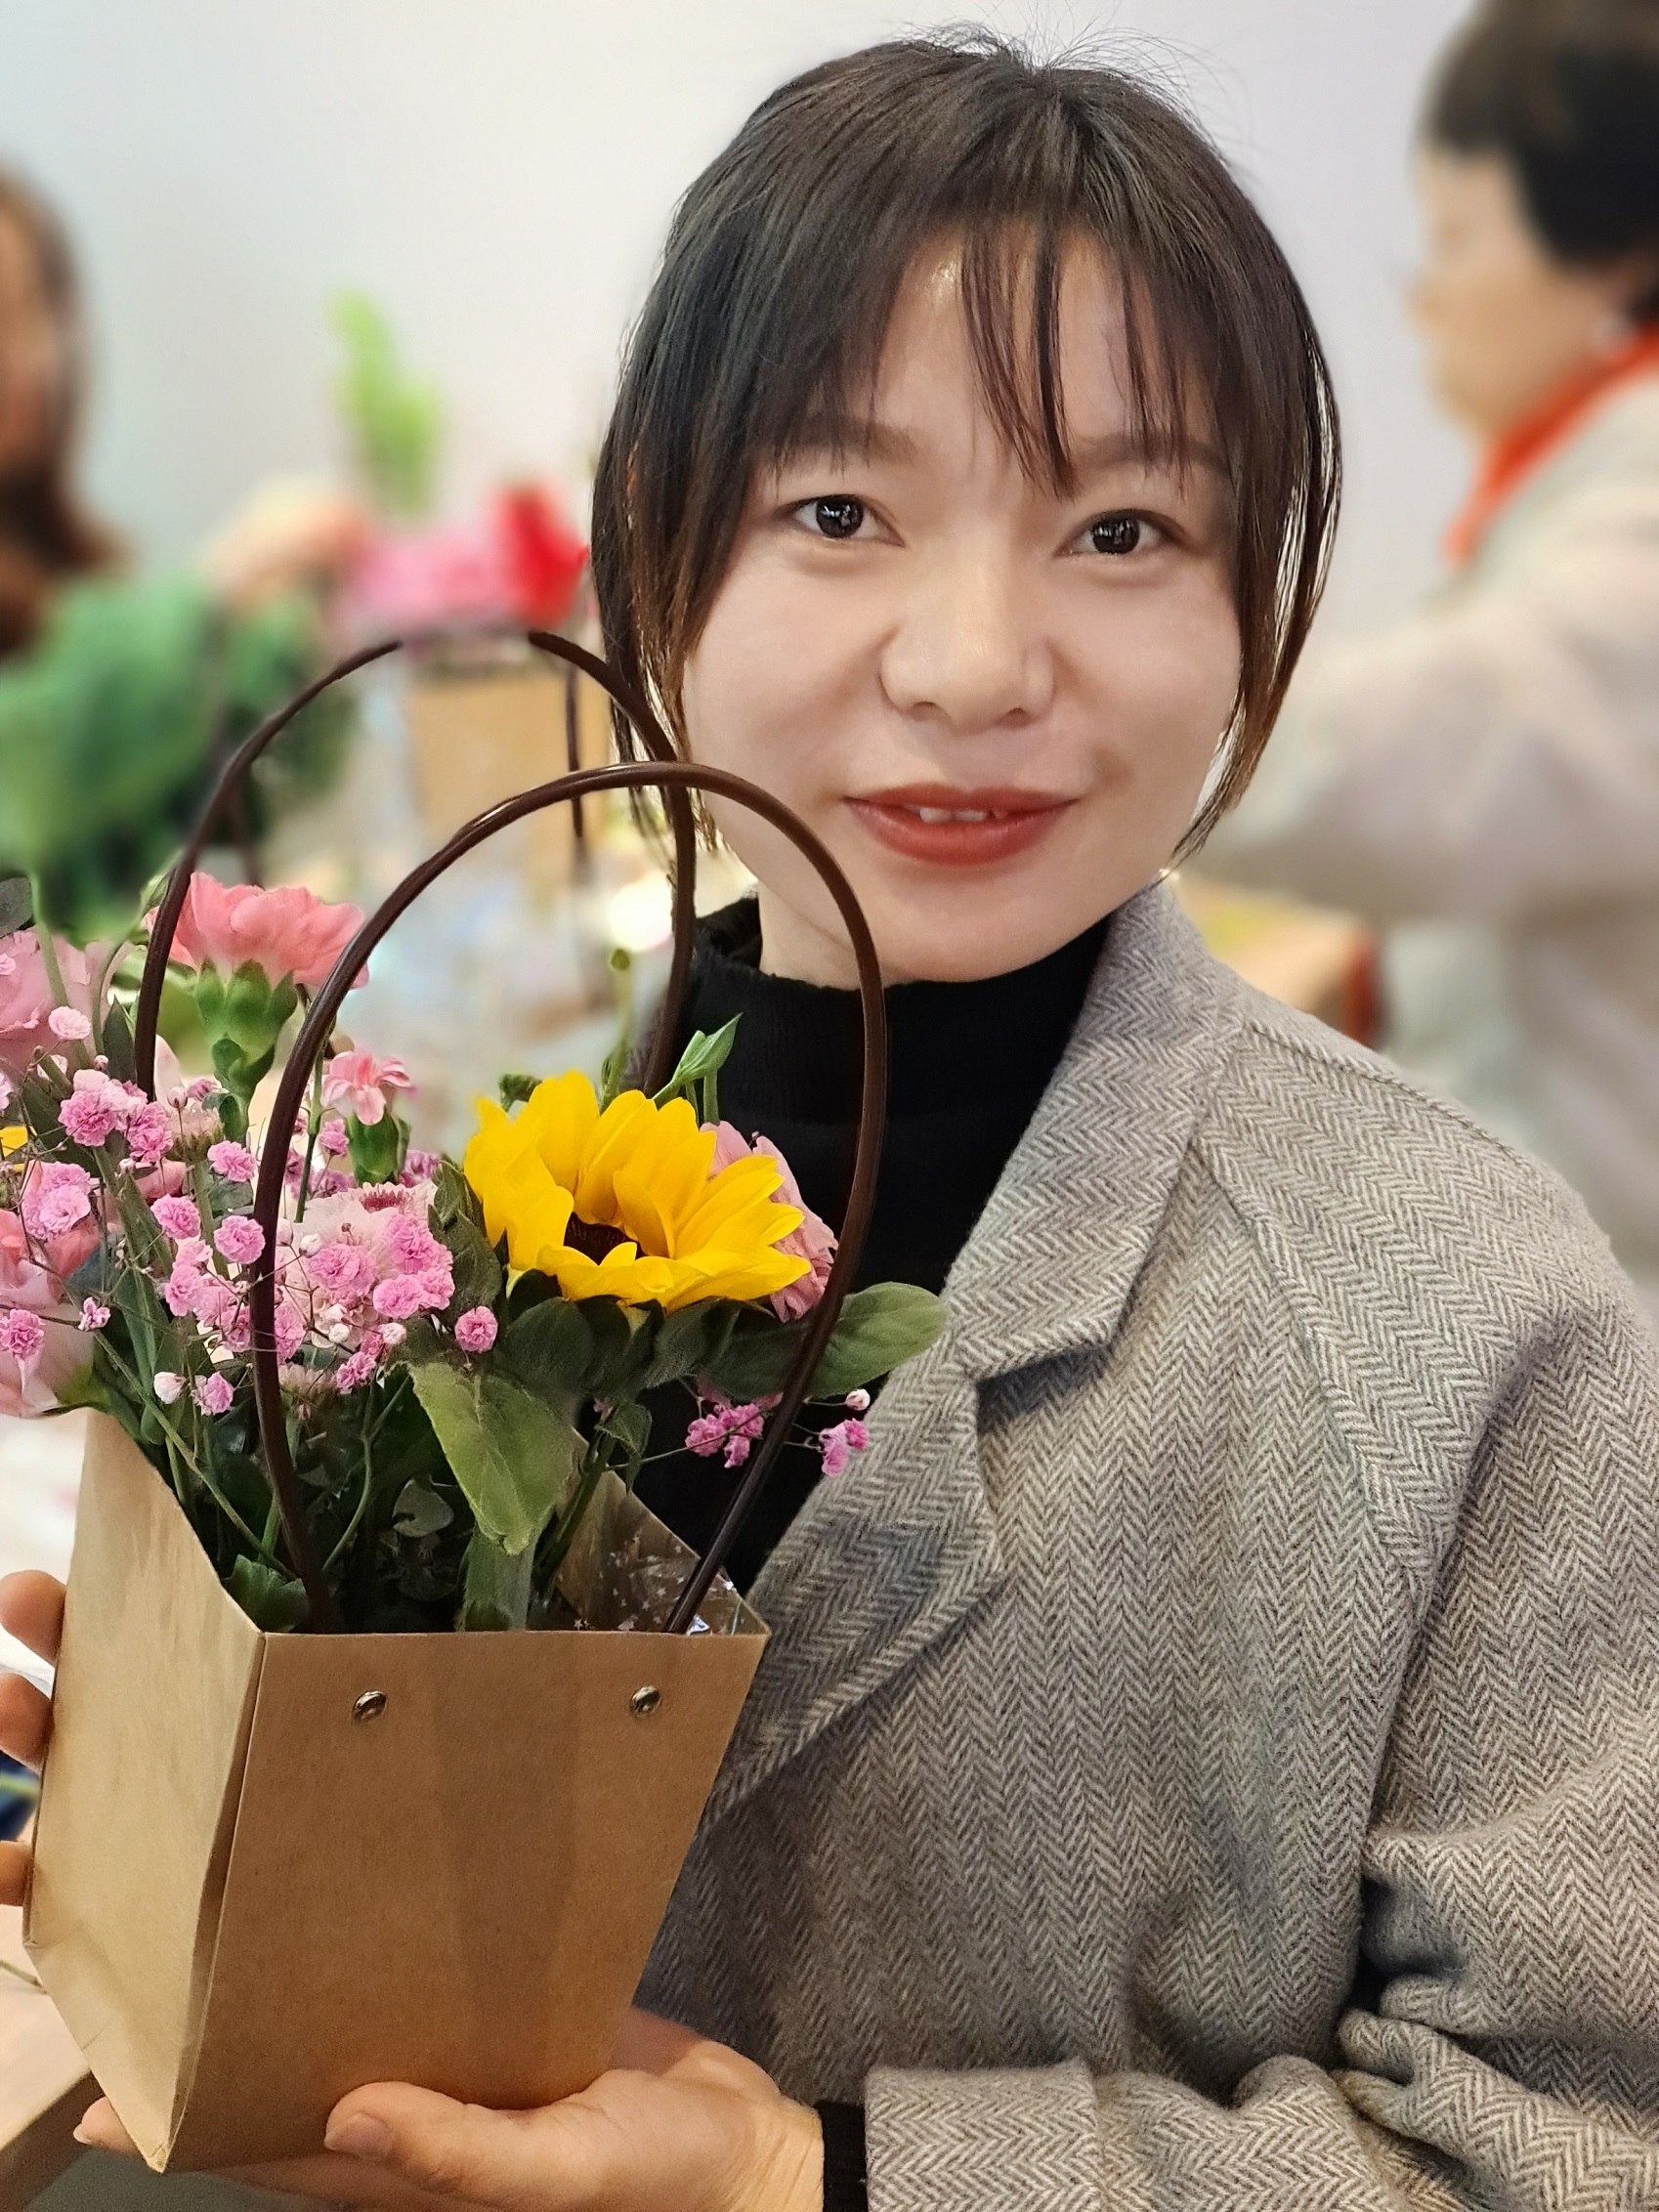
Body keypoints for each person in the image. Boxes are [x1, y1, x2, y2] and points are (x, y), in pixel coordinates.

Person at [7, 32, 1659, 2211]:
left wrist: (809, 2174)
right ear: (653, 547)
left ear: (1254, 602)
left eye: (1123, 527)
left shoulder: (1478, 1327)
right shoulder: (424, 1211)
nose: (972, 664)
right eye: (838, 513)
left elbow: (1575, 2143)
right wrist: (200, 1814)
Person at [1203, 0, 1659, 1315]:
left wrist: (1114, 700)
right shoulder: (1570, 492)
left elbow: (1428, 761)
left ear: (1613, 253)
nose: (1425, 292)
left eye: (1457, 235)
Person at [0, 169, 363, 936]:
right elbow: (37, 771)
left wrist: (288, 644)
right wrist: (219, 585)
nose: (34, 356)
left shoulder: (68, 573)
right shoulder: (106, 656)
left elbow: (206, 807)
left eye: (38, 308)